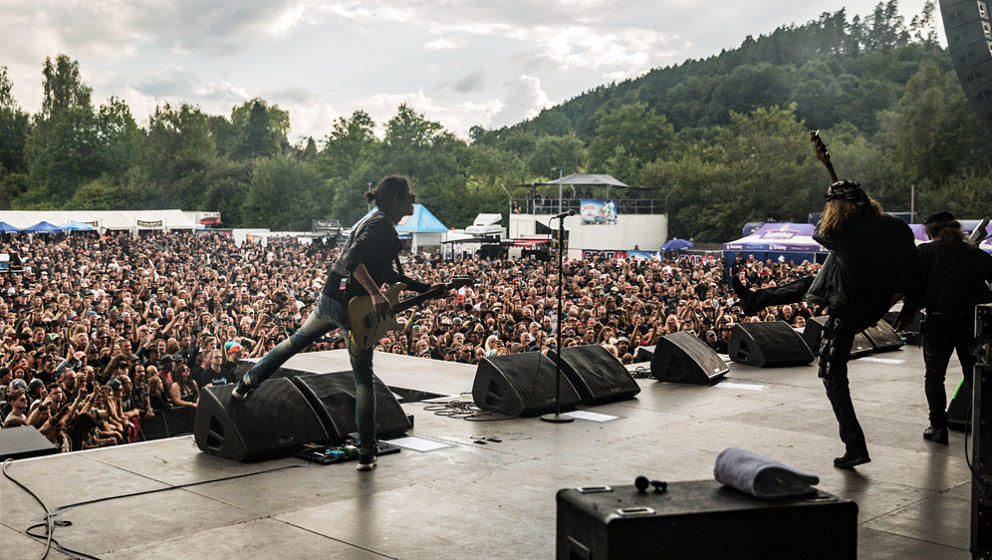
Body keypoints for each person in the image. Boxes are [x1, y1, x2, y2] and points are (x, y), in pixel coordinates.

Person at [233, 175, 439, 471]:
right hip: (354, 308)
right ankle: (366, 452)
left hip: (332, 299)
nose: (414, 201)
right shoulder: (380, 226)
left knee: (296, 342)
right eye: (410, 196)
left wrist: (424, 288)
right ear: (395, 199)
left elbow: (385, 273)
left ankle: (247, 382)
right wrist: (375, 293)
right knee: (363, 378)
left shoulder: (372, 220)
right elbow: (353, 261)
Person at [731, 180, 920, 469]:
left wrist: (838, 207)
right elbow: (913, 269)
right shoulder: (895, 226)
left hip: (850, 306)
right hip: (876, 299)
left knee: (832, 374)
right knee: (813, 281)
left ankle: (855, 445)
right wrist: (909, 308)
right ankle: (755, 300)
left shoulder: (844, 233)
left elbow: (820, 231)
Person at [898, 212, 992, 444]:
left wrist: (907, 313)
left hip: (939, 320)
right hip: (972, 321)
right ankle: (984, 427)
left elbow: (913, 288)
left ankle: (938, 428)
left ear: (931, 232)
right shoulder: (975, 253)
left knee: (935, 375)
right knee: (974, 375)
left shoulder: (926, 252)